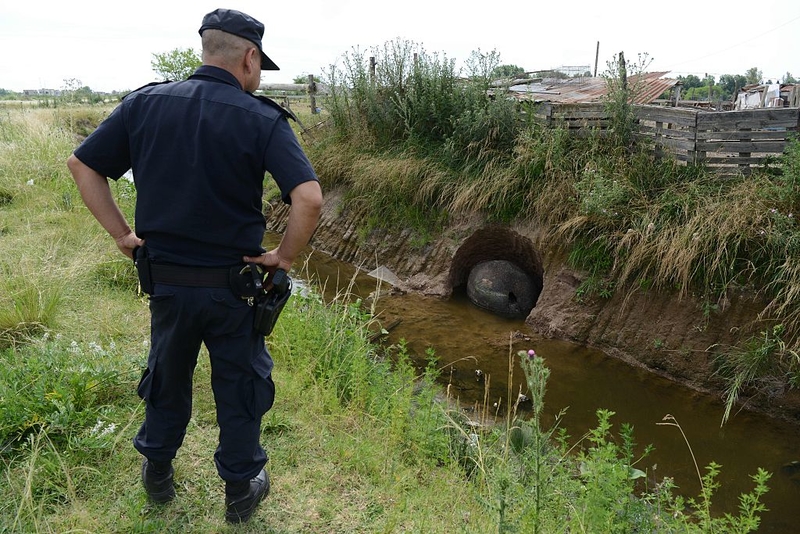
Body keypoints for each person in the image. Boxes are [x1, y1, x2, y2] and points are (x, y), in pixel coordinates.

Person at [66, 8, 323, 524]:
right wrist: (284, 258)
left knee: (167, 373)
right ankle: (240, 492)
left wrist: (123, 236)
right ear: (249, 57)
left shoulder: (144, 104)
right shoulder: (262, 118)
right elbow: (309, 199)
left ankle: (157, 474)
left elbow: (82, 164)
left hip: (167, 283)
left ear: (207, 49)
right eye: (259, 66)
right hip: (234, 289)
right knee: (240, 382)